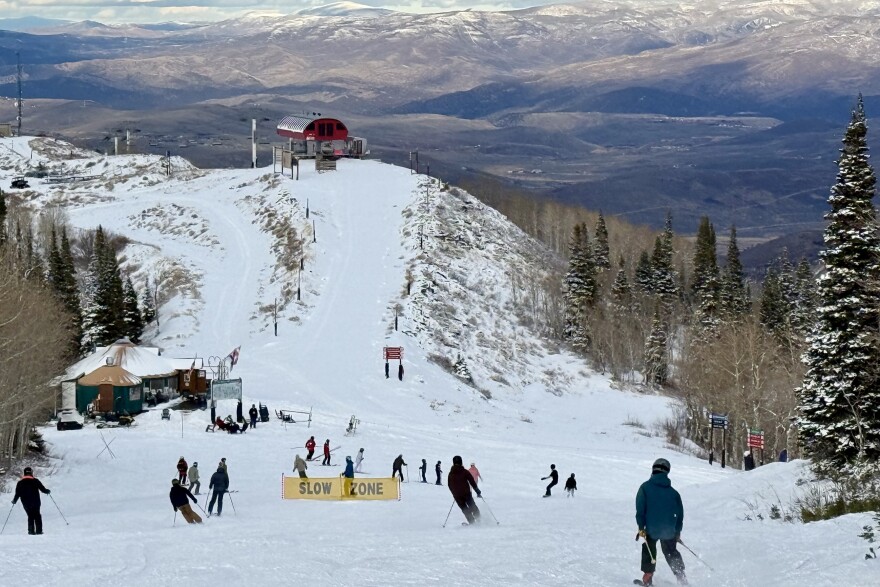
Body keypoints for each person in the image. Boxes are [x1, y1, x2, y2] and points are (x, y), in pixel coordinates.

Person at [635, 458, 686, 587]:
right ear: (667, 472)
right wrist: (677, 532)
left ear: (653, 470)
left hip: (651, 529)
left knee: (649, 550)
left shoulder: (644, 488)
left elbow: (640, 510)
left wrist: (641, 527)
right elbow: (680, 514)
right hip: (669, 529)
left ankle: (648, 578)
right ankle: (682, 578)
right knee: (671, 551)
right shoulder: (674, 493)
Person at [12, 467, 50, 535]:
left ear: (24, 473)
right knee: (37, 515)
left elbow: (17, 493)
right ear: (31, 472)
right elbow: (43, 489)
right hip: (36, 501)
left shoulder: (20, 483)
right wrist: (47, 491)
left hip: (26, 502)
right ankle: (39, 531)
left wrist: (14, 500)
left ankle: (31, 531)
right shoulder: (35, 481)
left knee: (30, 515)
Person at [448, 455, 481, 524]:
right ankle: (479, 519)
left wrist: (454, 493)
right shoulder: (464, 471)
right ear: (461, 462)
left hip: (457, 496)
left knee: (465, 509)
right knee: (472, 506)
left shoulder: (451, 474)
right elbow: (472, 481)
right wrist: (477, 490)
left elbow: (449, 485)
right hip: (466, 493)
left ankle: (472, 522)